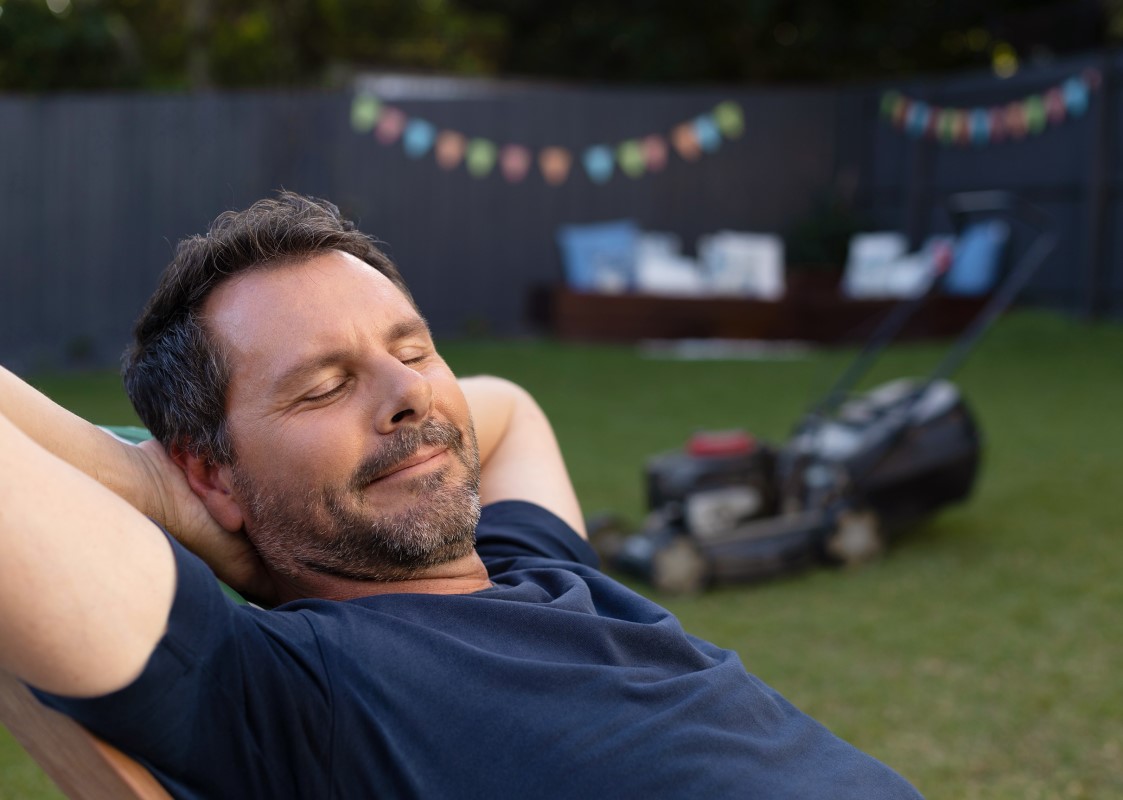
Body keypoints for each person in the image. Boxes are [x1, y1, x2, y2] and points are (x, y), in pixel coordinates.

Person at [0, 193, 923, 799]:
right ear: (210, 470)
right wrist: (143, 482)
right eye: (322, 386)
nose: (409, 395)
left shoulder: (533, 571)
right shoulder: (289, 692)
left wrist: (228, 502)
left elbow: (511, 410)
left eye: (411, 352)